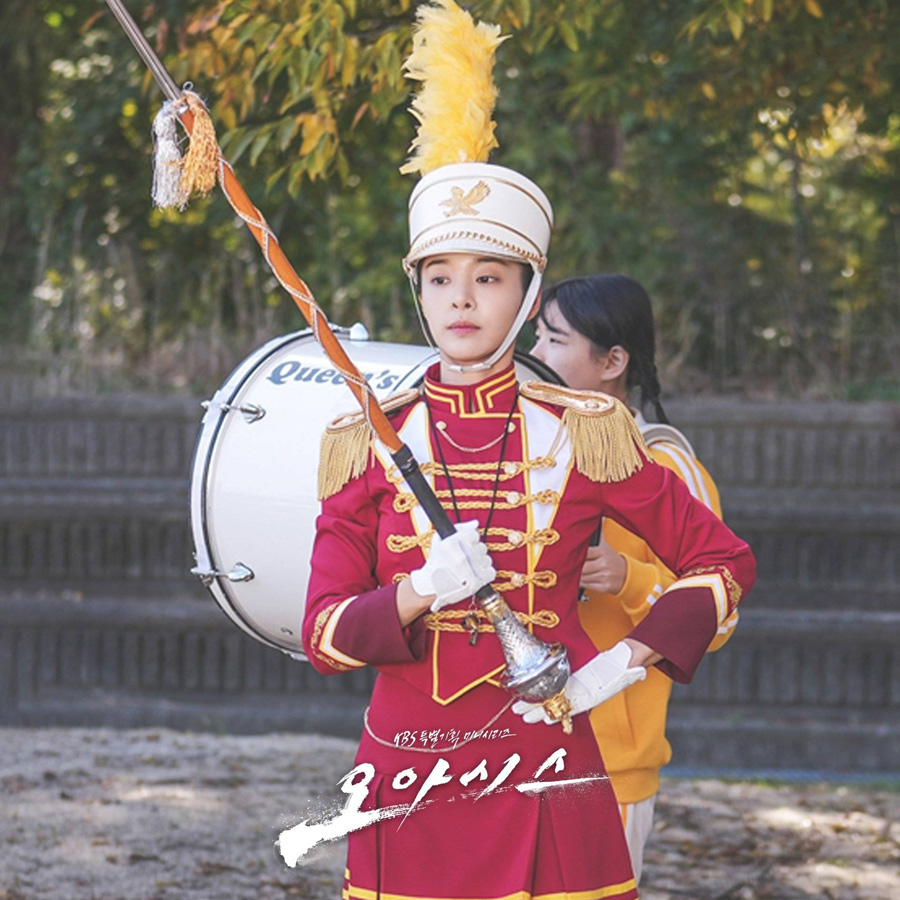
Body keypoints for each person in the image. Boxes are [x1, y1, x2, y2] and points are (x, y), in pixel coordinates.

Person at [301, 3, 755, 899]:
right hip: (408, 769)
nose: (461, 301)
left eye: (489, 278)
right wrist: (418, 591)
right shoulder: (368, 437)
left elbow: (723, 565)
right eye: (440, 278)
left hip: (550, 758)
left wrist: (616, 668)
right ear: (418, 289)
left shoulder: (584, 429)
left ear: (526, 290)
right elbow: (322, 634)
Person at [531, 274, 739, 883]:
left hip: (607, 766)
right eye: (536, 337)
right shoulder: (527, 457)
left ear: (612, 362)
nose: (534, 355)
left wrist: (629, 578)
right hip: (506, 751)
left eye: (554, 340)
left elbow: (721, 618)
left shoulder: (664, 464)